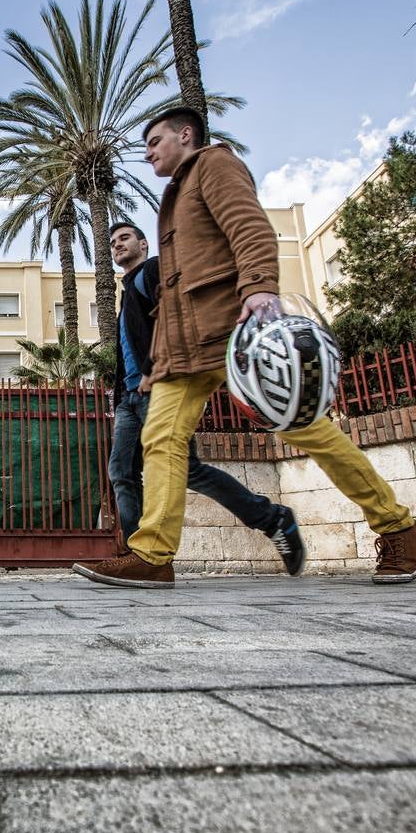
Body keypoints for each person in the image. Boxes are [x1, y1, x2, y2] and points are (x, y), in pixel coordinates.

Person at [75, 107, 416, 589]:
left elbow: (250, 227)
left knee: (309, 431)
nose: (148, 152)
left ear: (186, 134)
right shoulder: (175, 195)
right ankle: (153, 555)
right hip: (184, 349)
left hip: (232, 330)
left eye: (155, 140)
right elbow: (174, 293)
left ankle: (399, 527)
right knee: (159, 440)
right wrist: (158, 359)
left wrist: (260, 287)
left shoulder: (214, 165)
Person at [107, 221, 305, 575]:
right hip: (129, 399)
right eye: (112, 242)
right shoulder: (126, 291)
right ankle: (138, 555)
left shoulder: (152, 273)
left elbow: (176, 319)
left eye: (125, 238)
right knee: (121, 472)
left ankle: (273, 518)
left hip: (159, 390)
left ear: (143, 244)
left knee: (187, 471)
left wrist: (160, 369)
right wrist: (121, 391)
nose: (117, 245)